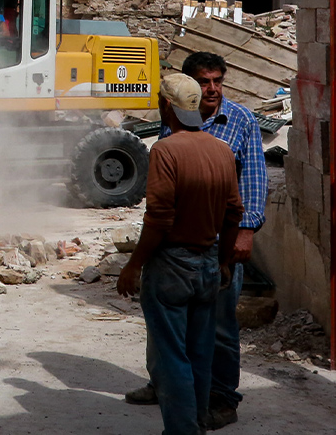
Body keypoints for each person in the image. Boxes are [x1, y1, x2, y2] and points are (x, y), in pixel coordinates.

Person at [126, 51, 268, 429]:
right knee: (184, 337)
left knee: (210, 332)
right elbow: (226, 202)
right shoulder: (191, 137)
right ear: (189, 86)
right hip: (207, 254)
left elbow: (251, 185)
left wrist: (244, 234)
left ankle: (213, 402)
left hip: (201, 250)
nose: (212, 89)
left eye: (218, 81)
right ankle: (177, 395)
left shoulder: (236, 122)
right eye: (204, 82)